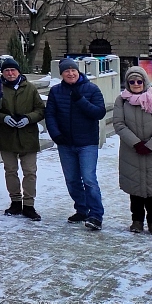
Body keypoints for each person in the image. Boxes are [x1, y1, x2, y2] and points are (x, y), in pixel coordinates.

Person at [45, 58, 108, 231]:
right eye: (67, 71)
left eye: (73, 70)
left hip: (87, 143)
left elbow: (99, 113)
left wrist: (81, 100)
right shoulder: (56, 91)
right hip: (65, 143)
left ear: (78, 71)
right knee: (72, 180)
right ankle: (81, 209)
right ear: (61, 74)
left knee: (89, 179)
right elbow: (50, 115)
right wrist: (56, 135)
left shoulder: (92, 89)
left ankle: (96, 215)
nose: (71, 73)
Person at [0, 57, 45, 221]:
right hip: (7, 136)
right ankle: (16, 202)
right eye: (7, 71)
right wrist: (3, 118)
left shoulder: (30, 88)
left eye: (13, 70)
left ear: (18, 71)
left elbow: (40, 110)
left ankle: (29, 204)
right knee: (10, 171)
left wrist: (29, 118)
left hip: (28, 136)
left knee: (30, 172)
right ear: (2, 73)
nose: (10, 73)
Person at [113, 67, 152, 236]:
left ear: (145, 82)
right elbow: (119, 124)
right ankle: (136, 221)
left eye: (139, 81)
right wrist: (136, 143)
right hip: (132, 151)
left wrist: (151, 145)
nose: (136, 84)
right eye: (132, 81)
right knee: (135, 188)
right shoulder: (121, 101)